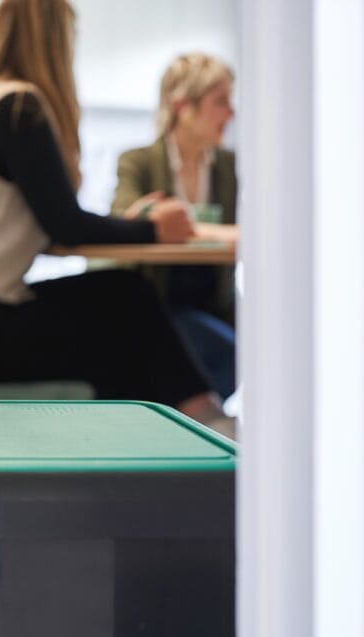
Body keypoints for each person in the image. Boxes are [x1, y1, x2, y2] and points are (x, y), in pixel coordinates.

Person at [0, 0, 234, 436]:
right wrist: (153, 228)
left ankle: (179, 431)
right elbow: (65, 223)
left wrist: (131, 226)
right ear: (55, 38)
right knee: (127, 300)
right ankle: (205, 421)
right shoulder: (20, 108)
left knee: (121, 305)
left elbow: (37, 222)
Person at [111, 53, 237, 399]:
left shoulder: (230, 165)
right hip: (156, 306)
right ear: (184, 106)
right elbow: (126, 217)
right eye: (222, 101)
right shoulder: (138, 161)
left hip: (215, 306)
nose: (232, 113)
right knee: (231, 357)